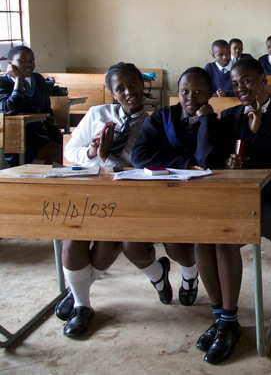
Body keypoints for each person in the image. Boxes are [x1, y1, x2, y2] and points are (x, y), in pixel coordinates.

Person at [197, 57, 271, 364]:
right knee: (203, 237)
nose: (241, 87)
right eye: (235, 82)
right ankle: (220, 317)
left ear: (263, 81)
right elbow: (210, 160)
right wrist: (226, 161)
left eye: (247, 81)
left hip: (269, 201)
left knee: (225, 238)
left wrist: (258, 131)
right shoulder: (228, 116)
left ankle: (229, 322)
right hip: (231, 196)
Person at [57, 62, 148, 338]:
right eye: (120, 88)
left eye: (133, 85)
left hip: (127, 194)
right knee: (73, 240)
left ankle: (76, 291)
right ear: (111, 92)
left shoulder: (154, 121)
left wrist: (111, 157)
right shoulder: (99, 114)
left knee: (107, 244)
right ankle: (82, 305)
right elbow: (72, 150)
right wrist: (92, 151)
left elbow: (149, 165)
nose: (128, 92)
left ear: (142, 84)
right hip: (91, 189)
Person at [125, 68, 226, 309]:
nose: (191, 97)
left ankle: (190, 276)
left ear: (210, 94)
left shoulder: (215, 123)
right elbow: (140, 157)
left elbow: (207, 160)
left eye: (199, 92)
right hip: (157, 195)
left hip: (195, 200)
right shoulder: (162, 117)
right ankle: (158, 277)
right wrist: (184, 163)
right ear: (177, 93)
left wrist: (205, 121)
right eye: (185, 91)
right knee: (131, 244)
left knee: (176, 244)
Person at [0, 45, 61, 165]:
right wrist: (18, 80)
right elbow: (7, 109)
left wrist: (58, 139)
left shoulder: (38, 79)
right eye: (21, 61)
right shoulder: (3, 82)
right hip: (12, 139)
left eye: (31, 60)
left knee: (63, 150)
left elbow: (46, 110)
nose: (28, 64)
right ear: (10, 63)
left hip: (39, 137)